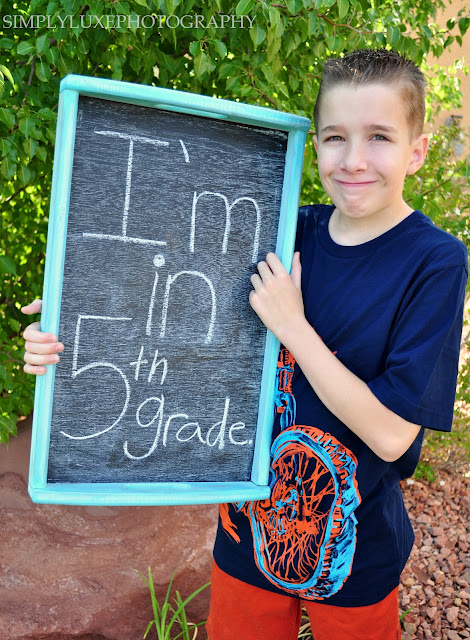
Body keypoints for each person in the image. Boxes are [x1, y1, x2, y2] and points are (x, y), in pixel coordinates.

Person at [22, 50, 468, 640]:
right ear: (316, 145)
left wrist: (293, 326)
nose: (354, 159)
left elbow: (391, 435)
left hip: (356, 553)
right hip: (245, 534)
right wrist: (81, 324)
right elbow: (179, 316)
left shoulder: (434, 261)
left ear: (417, 150)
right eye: (335, 137)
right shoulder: (281, 229)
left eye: (379, 137)